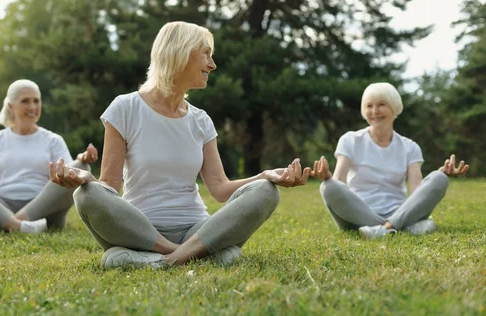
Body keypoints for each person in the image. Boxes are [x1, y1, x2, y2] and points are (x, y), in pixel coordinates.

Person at [48, 21, 310, 268]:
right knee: (86, 195)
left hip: (196, 229)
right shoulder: (125, 108)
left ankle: (161, 260)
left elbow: (220, 189)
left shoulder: (201, 120)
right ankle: (194, 254)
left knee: (266, 191)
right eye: (206, 54)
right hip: (138, 229)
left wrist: (265, 176)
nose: (213, 64)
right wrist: (87, 179)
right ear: (180, 53)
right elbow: (110, 187)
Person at [0, 79, 98, 234]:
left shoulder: (53, 140)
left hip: (42, 207)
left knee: (81, 168)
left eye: (36, 101)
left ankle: (5, 224)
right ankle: (20, 226)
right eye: (25, 101)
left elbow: (66, 180)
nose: (33, 106)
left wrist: (82, 160)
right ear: (11, 107)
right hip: (0, 205)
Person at [311, 82, 469, 239]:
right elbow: (340, 182)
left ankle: (385, 229)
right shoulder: (350, 140)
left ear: (395, 107)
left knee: (439, 178)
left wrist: (441, 174)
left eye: (381, 104)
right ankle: (402, 228)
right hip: (357, 215)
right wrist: (327, 178)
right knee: (329, 187)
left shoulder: (410, 147)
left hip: (398, 212)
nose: (374, 111)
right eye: (369, 106)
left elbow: (417, 192)